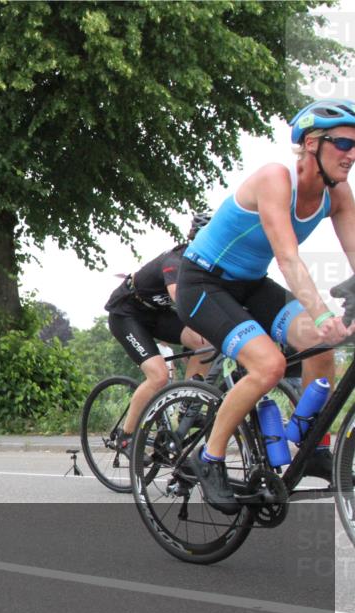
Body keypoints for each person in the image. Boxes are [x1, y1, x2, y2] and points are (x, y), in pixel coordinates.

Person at [176, 99, 355, 514]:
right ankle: (210, 459)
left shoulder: (338, 195)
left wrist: (324, 322)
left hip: (251, 285)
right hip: (204, 282)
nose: (351, 155)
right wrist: (324, 313)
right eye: (343, 143)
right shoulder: (277, 180)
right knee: (271, 365)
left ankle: (311, 447)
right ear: (312, 144)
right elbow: (288, 258)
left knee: (319, 345)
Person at [104, 214, 212, 451]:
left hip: (156, 313)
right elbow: (181, 300)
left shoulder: (208, 266)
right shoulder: (176, 260)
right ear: (195, 240)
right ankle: (126, 436)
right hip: (127, 313)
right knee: (159, 376)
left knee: (205, 345)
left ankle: (187, 405)